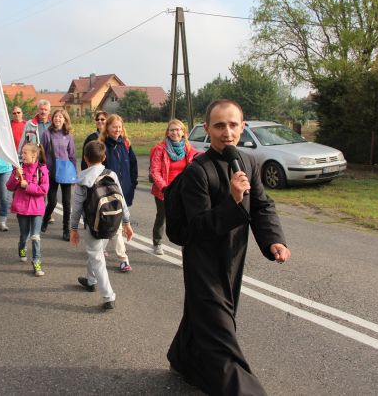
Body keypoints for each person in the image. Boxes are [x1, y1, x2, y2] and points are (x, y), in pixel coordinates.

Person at [167, 100, 292, 395]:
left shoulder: (247, 161)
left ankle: (183, 359)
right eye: (220, 125)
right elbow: (197, 227)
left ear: (243, 127)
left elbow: (261, 206)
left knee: (207, 318)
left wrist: (274, 239)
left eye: (233, 125)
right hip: (203, 262)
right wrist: (233, 202)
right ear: (207, 128)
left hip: (234, 255)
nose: (227, 132)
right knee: (221, 333)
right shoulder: (198, 171)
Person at [70, 141, 134, 310]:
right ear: (104, 157)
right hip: (113, 222)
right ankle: (90, 281)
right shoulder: (111, 174)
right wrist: (126, 222)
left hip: (94, 225)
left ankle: (108, 296)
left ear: (85, 158)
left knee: (97, 258)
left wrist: (73, 229)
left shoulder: (83, 178)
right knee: (96, 252)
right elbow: (122, 200)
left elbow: (76, 208)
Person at [149, 119, 199, 255]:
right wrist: (164, 188)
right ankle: (157, 242)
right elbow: (155, 171)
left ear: (183, 132)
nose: (175, 132)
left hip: (183, 191)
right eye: (172, 130)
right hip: (163, 190)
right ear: (168, 132)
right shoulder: (160, 149)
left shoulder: (189, 149)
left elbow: (198, 162)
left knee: (184, 218)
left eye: (178, 129)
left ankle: (185, 247)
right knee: (162, 217)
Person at [99, 114, 137, 272]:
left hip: (125, 189)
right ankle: (123, 259)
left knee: (113, 224)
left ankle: (99, 248)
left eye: (119, 127)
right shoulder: (102, 145)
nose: (117, 129)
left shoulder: (126, 144)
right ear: (107, 128)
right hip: (109, 191)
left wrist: (132, 183)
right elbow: (96, 168)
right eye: (114, 126)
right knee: (117, 225)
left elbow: (133, 165)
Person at [6, 143, 49, 276]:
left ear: (34, 155)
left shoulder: (42, 170)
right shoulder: (19, 169)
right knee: (24, 234)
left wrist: (28, 186)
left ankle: (36, 262)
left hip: (37, 208)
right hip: (22, 207)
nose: (22, 155)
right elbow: (9, 186)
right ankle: (22, 246)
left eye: (25, 153)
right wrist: (17, 177)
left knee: (35, 236)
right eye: (22, 152)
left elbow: (44, 190)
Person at [40, 109, 76, 241]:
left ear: (65, 120)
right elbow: (41, 153)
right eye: (56, 117)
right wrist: (42, 170)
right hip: (51, 172)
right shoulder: (47, 134)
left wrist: (74, 175)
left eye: (60, 117)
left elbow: (72, 156)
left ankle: (66, 230)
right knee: (53, 202)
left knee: (67, 203)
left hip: (66, 172)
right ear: (52, 119)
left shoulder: (68, 136)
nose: (58, 119)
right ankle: (45, 220)